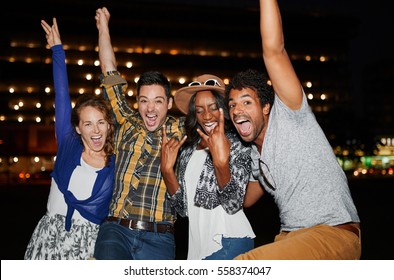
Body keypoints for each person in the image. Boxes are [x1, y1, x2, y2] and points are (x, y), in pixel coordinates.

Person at [226, 0, 361, 260]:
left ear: (266, 107)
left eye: (246, 102)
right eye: (232, 105)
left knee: (244, 266)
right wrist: (221, 162)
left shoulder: (291, 114)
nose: (236, 110)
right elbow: (243, 201)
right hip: (291, 236)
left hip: (334, 234)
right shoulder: (255, 155)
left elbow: (274, 50)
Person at [93, 7, 184, 260]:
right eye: (144, 101)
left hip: (160, 236)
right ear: (137, 102)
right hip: (116, 229)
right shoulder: (126, 121)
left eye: (157, 101)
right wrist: (103, 28)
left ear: (168, 103)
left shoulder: (181, 129)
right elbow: (110, 73)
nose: (150, 108)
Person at [24, 18, 116, 260]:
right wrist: (57, 50)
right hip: (49, 240)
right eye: (88, 123)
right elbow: (62, 94)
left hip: (89, 248)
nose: (95, 130)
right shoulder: (68, 145)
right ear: (78, 128)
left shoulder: (116, 162)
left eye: (101, 122)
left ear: (109, 125)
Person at [160, 74, 263, 260]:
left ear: (224, 109)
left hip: (228, 240)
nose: (206, 116)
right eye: (199, 110)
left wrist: (221, 163)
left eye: (213, 108)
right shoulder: (188, 151)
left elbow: (233, 204)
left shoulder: (239, 145)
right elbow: (183, 209)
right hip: (199, 247)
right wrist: (167, 171)